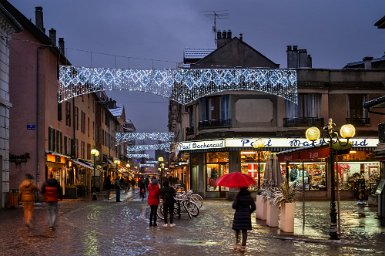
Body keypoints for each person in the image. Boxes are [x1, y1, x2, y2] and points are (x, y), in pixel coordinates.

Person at [232, 187, 256, 252]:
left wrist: (235, 199)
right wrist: (249, 212)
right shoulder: (249, 196)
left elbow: (234, 206)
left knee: (237, 229)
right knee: (244, 231)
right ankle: (243, 246)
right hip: (246, 216)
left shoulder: (238, 196)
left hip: (238, 215)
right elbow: (254, 207)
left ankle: (237, 243)